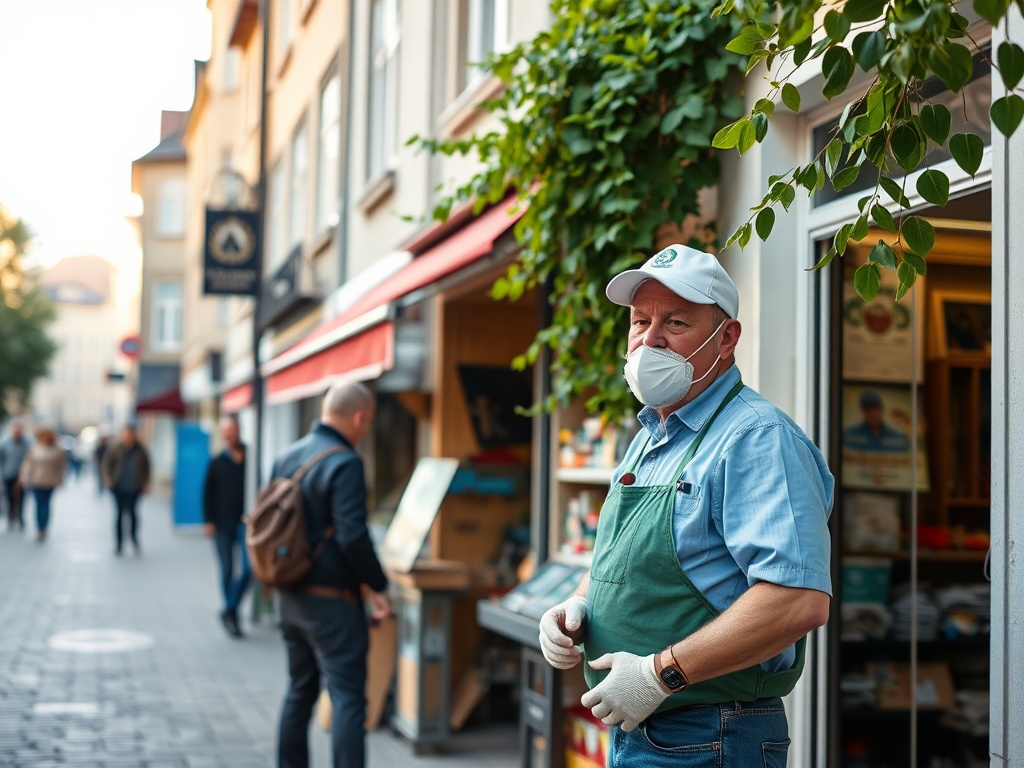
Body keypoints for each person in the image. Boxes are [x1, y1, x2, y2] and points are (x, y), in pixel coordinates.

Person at [538, 244, 834, 766]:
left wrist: (661, 673)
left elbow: (797, 600)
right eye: (640, 321)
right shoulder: (654, 433)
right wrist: (579, 606)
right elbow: (627, 557)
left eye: (675, 322)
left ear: (726, 339)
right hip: (644, 730)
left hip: (713, 734)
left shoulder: (758, 438)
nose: (650, 340)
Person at [271, 381, 391, 768]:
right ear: (359, 417)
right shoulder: (345, 462)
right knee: (347, 698)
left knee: (299, 691)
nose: (366, 430)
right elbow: (353, 537)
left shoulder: (287, 457)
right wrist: (378, 586)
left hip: (289, 596)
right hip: (332, 606)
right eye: (368, 423)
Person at [202, 415, 251, 638]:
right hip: (221, 523)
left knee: (250, 569)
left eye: (233, 429)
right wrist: (209, 521)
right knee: (227, 569)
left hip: (246, 522)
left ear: (239, 430)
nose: (230, 433)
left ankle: (229, 609)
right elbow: (207, 493)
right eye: (226, 430)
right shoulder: (217, 462)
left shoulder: (251, 456)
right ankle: (232, 614)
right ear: (223, 434)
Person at [101, 423, 151, 556]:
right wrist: (108, 479)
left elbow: (147, 467)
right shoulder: (115, 449)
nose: (129, 436)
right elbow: (106, 465)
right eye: (127, 434)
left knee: (133, 514)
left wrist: (146, 482)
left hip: (135, 487)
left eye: (131, 434)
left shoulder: (141, 450)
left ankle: (134, 538)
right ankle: (119, 543)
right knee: (119, 515)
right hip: (118, 487)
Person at [19, 425, 66, 541]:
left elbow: (61, 466)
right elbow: (28, 463)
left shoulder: (57, 449)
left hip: (50, 481)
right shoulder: (34, 448)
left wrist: (60, 479)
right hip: (36, 480)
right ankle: (39, 528)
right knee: (38, 505)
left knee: (46, 505)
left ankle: (44, 527)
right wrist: (24, 476)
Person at [842, 389, 911, 453]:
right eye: (868, 410)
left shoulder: (898, 438)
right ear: (862, 411)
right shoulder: (849, 436)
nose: (872, 414)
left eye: (875, 409)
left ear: (882, 409)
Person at [0, 420, 30, 530]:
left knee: (21, 498)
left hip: (22, 476)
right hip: (8, 475)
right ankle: (10, 517)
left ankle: (20, 518)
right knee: (9, 498)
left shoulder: (27, 443)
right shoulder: (4, 443)